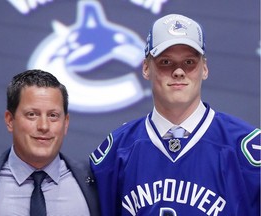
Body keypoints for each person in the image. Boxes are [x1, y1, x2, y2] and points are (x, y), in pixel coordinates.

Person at [89, 14, 260, 216]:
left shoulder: (245, 149)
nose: (179, 71)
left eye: (189, 62)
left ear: (204, 68)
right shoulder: (116, 151)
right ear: (146, 68)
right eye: (166, 62)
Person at [0, 69, 100, 216]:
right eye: (32, 115)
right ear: (9, 120)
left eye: (53, 116)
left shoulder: (96, 183)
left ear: (65, 123)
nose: (44, 126)